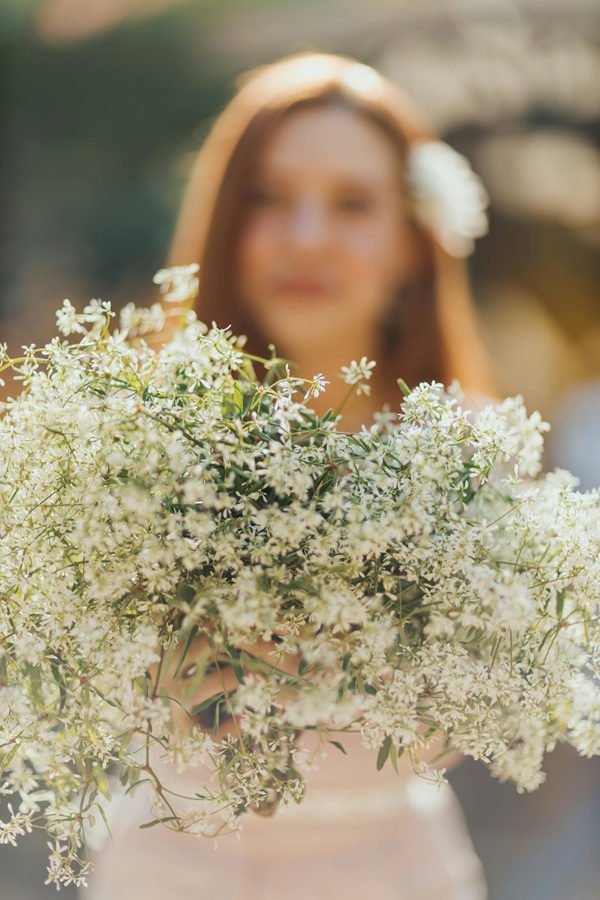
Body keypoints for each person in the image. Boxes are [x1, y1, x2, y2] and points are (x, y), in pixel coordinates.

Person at [85, 52, 492, 900]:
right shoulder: (129, 437)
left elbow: (485, 712)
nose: (306, 237)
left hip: (393, 878)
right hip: (170, 874)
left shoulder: (472, 452)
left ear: (417, 240)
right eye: (269, 197)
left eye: (352, 203)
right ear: (226, 219)